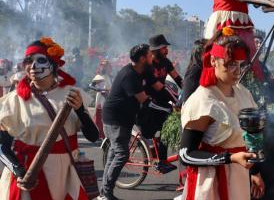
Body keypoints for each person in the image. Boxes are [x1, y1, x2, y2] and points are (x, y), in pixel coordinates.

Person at [0, 38, 99, 200]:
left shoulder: (72, 93)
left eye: (40, 60)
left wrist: (80, 109)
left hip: (64, 175)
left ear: (53, 65)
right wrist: (17, 170)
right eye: (28, 61)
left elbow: (93, 136)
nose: (33, 66)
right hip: (27, 175)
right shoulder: (14, 100)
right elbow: (2, 145)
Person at [179, 27, 265, 200]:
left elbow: (249, 140)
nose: (238, 71)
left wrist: (255, 172)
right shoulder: (203, 100)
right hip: (212, 183)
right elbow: (186, 154)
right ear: (213, 61)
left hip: (239, 177)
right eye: (231, 64)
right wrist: (230, 158)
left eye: (241, 65)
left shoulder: (243, 93)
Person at [100, 44, 163, 200]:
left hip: (125, 118)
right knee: (122, 154)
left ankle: (104, 192)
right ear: (142, 58)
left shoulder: (144, 70)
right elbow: (143, 99)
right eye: (149, 55)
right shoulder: (129, 75)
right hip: (115, 118)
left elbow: (157, 85)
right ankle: (106, 193)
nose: (152, 57)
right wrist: (163, 107)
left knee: (114, 155)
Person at [143, 34, 183, 173]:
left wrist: (189, 91)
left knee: (167, 124)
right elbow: (159, 87)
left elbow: (177, 78)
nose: (166, 50)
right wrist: (177, 100)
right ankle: (161, 161)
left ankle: (160, 155)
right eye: (163, 48)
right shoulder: (148, 65)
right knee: (167, 121)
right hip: (149, 101)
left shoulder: (166, 62)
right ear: (155, 50)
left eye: (166, 47)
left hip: (161, 99)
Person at [89, 59, 113, 139]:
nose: (110, 68)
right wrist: (98, 90)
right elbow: (91, 85)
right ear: (105, 68)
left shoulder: (110, 76)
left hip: (109, 96)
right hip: (101, 97)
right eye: (108, 66)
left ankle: (106, 134)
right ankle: (99, 134)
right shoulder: (99, 76)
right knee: (100, 116)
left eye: (110, 66)